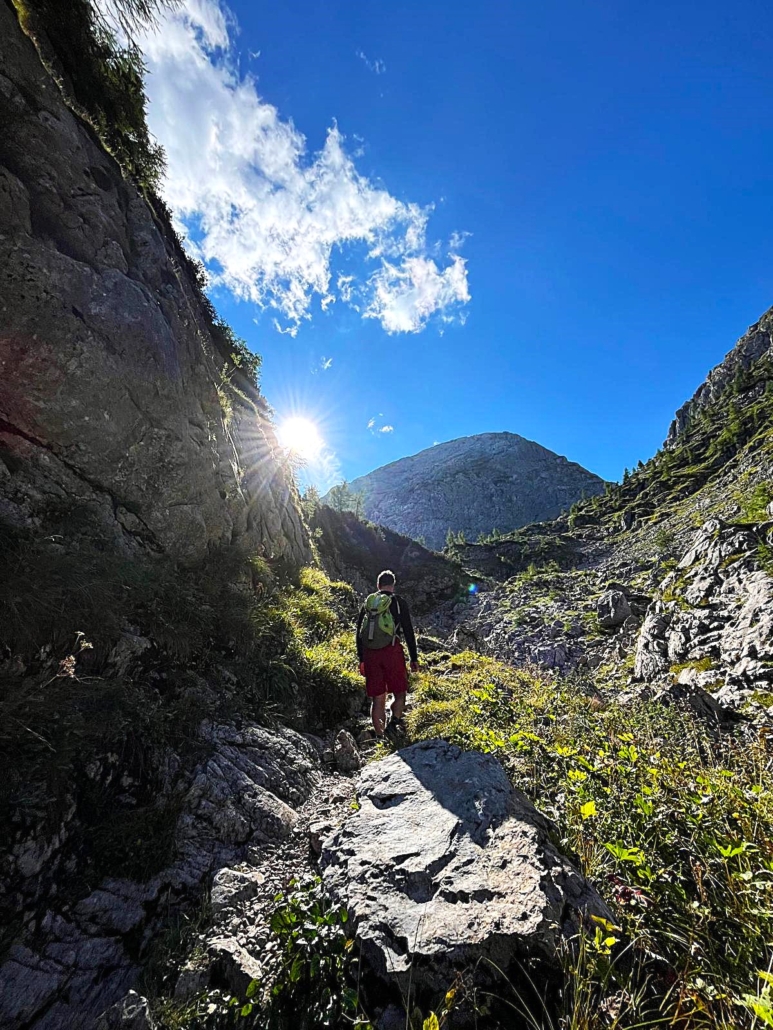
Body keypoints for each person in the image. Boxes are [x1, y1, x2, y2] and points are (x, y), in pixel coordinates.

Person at [356, 569, 419, 741]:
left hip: (370, 654)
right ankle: (393, 723)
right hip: (392, 652)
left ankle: (380, 737)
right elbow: (408, 631)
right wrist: (413, 658)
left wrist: (361, 659)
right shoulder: (398, 602)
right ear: (393, 585)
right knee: (400, 692)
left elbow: (359, 633)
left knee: (378, 699)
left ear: (378, 585)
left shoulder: (369, 603)